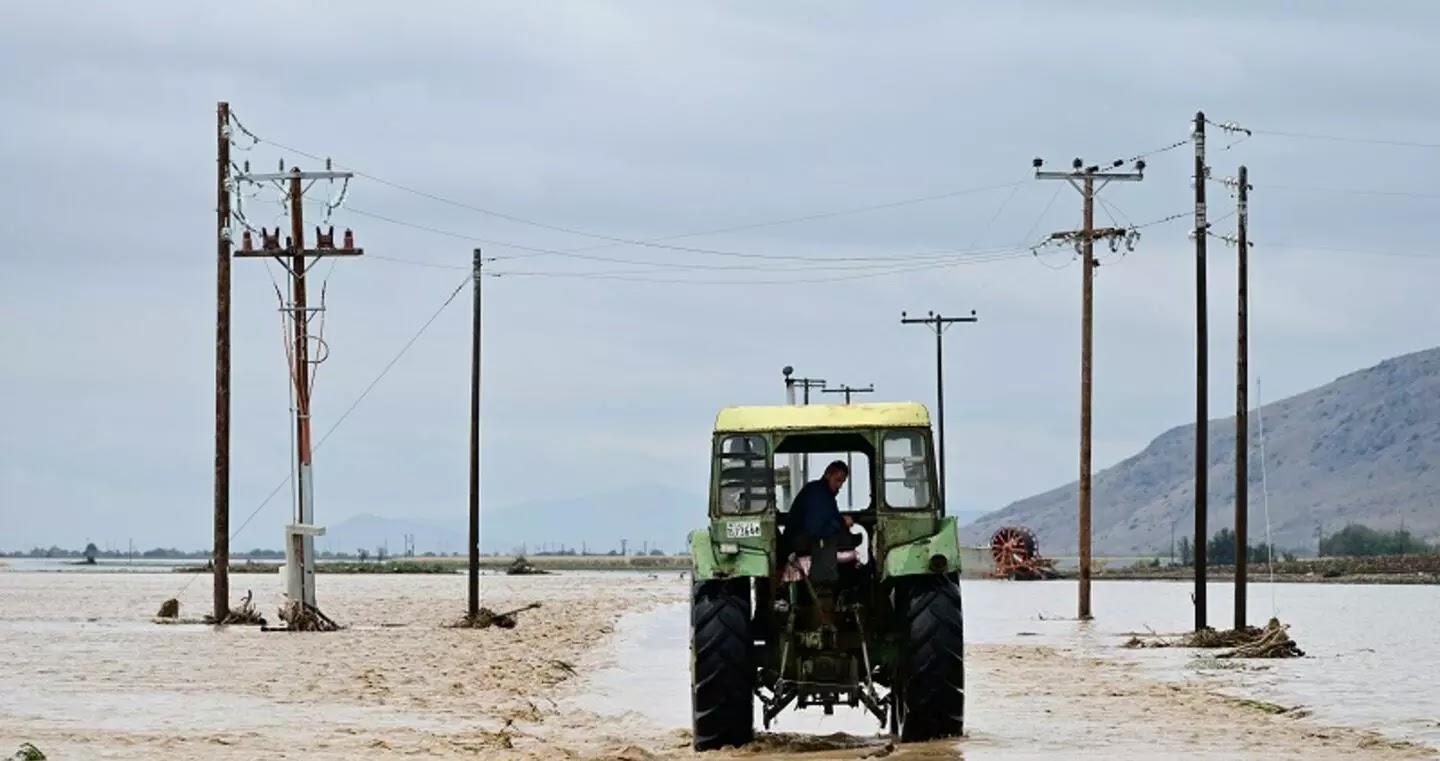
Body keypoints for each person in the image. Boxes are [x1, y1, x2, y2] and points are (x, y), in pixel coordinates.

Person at [783, 460, 855, 555]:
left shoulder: (825, 494)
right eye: (837, 480)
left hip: (803, 538)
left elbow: (829, 516)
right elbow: (816, 528)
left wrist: (841, 520)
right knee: (830, 540)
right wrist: (841, 522)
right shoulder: (817, 493)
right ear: (828, 475)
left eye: (842, 482)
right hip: (799, 541)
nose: (840, 486)